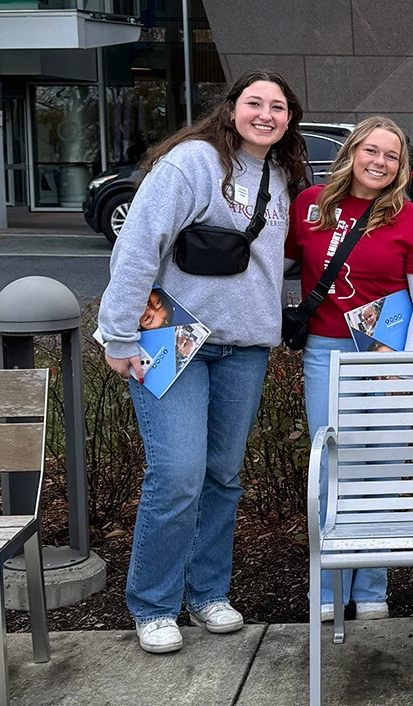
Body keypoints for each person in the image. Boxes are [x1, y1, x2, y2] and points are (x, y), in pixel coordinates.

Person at [97, 71, 308, 655]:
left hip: (243, 346)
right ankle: (154, 604)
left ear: (289, 119)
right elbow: (139, 243)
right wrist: (117, 336)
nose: (266, 114)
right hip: (170, 336)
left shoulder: (282, 175)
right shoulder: (192, 162)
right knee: (177, 475)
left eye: (279, 107)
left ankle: (208, 592)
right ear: (231, 108)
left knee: (223, 476)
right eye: (254, 103)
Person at [287, 116, 413, 623]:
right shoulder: (309, 207)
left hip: (386, 354)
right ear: (352, 152)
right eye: (371, 151)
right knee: (330, 467)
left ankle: (371, 585)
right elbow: (271, 266)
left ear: (401, 167)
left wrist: (404, 363)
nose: (380, 162)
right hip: (326, 351)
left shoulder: (410, 218)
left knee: (383, 466)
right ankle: (330, 589)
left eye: (391, 156)